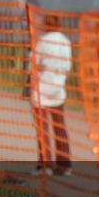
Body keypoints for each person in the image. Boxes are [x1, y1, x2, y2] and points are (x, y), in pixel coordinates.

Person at [32, 14, 73, 176]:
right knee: (59, 127)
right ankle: (64, 166)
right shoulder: (66, 41)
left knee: (43, 128)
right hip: (59, 87)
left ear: (46, 25)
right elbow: (68, 66)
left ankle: (45, 165)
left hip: (42, 88)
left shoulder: (43, 41)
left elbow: (35, 64)